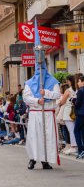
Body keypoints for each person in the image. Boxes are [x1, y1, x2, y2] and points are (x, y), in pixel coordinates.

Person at [23, 22, 61, 170]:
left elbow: (57, 94)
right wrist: (37, 100)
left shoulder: (52, 81)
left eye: (42, 67)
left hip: (48, 114)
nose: (40, 71)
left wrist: (48, 93)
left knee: (48, 137)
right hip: (35, 113)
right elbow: (26, 97)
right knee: (34, 137)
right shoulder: (29, 83)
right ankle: (33, 158)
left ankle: (46, 160)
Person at [58, 76, 77, 155]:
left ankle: (73, 147)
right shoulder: (76, 90)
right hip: (75, 112)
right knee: (75, 130)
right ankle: (76, 145)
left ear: (69, 81)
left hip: (68, 113)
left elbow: (62, 102)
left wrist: (58, 104)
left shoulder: (68, 91)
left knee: (71, 130)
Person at [74, 76, 84, 159]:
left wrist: (73, 101)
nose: (78, 83)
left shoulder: (80, 91)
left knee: (76, 131)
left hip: (80, 114)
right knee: (82, 132)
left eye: (79, 81)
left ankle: (80, 150)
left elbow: (78, 103)